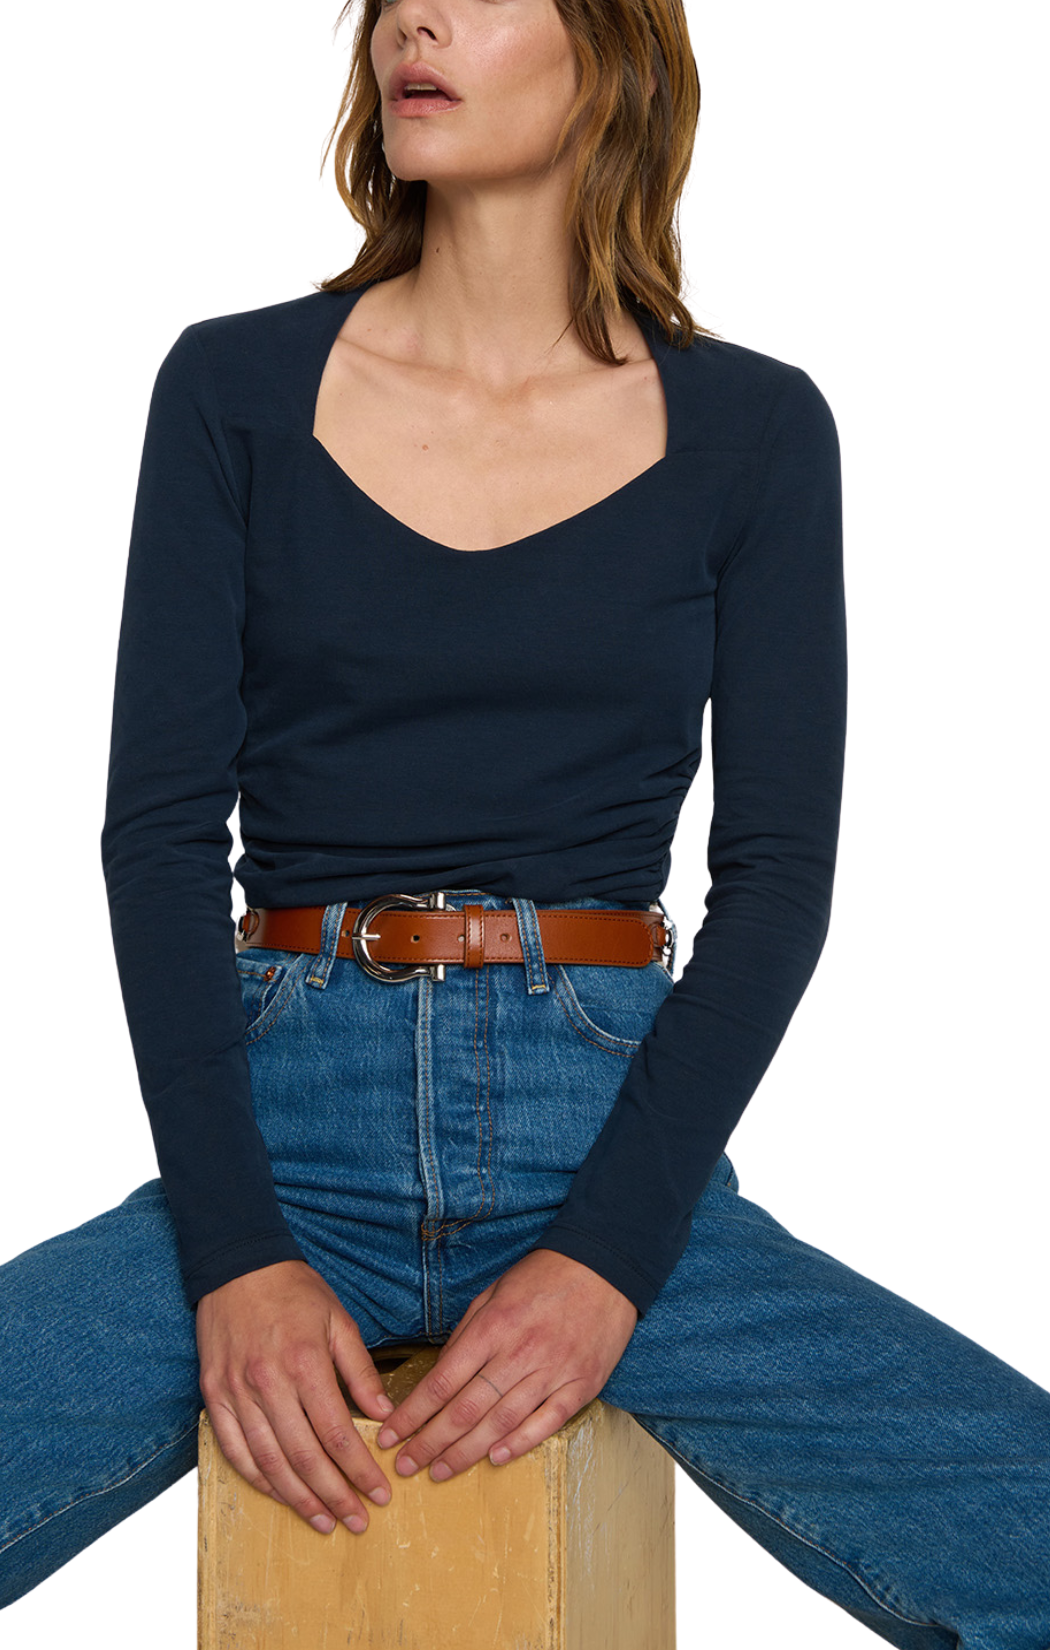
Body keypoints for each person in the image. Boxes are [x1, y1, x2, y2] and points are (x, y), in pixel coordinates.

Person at [2, 0, 1049, 1641]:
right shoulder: (234, 389)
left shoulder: (754, 429)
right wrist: (234, 1253)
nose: (414, 16)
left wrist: (609, 1259)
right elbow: (152, 839)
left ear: (613, 55)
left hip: (605, 1134)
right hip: (281, 1134)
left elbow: (775, 881)